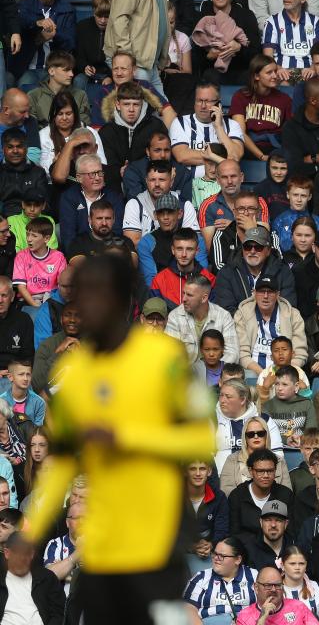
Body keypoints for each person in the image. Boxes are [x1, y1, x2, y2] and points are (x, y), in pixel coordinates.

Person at [22, 253, 212, 620]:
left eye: (100, 294)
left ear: (124, 299)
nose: (88, 306)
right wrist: (29, 536)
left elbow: (201, 441)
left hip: (158, 532)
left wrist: (126, 437)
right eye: (82, 296)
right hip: (103, 539)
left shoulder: (165, 357)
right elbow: (60, 460)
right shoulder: (73, 372)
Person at [104, 0, 177, 99]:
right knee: (141, 112)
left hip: (147, 61)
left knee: (163, 110)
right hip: (134, 62)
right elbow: (119, 19)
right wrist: (128, 61)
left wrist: (160, 58)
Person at [184, 535, 258, 621]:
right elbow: (189, 608)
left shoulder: (254, 576)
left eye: (222, 555)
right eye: (215, 553)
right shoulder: (201, 578)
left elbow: (265, 606)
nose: (216, 558)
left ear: (238, 559)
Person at [235, 565, 319, 624]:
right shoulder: (244, 616)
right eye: (268, 585)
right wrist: (261, 619)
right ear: (256, 588)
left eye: (277, 585)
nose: (273, 589)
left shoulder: (298, 606)